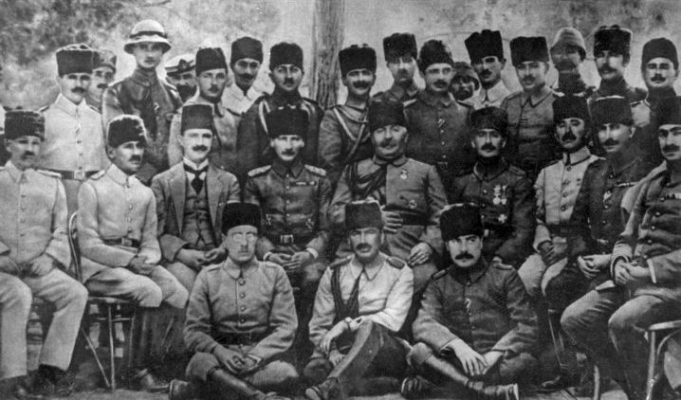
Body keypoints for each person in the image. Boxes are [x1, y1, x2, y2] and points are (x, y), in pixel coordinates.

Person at [561, 104, 681, 400]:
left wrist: (647, 271)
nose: (669, 142)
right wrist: (619, 261)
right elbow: (627, 235)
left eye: (677, 133)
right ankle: (632, 384)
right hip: (632, 281)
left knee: (621, 322)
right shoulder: (654, 182)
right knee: (574, 318)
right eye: (663, 134)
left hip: (670, 289)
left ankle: (649, 394)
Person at [78, 115, 188, 391]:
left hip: (136, 265)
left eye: (139, 146)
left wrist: (148, 259)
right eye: (128, 146)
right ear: (111, 151)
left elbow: (150, 240)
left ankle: (157, 361)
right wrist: (129, 260)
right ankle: (136, 371)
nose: (136, 152)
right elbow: (88, 244)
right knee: (149, 290)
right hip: (100, 269)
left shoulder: (144, 192)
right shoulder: (92, 188)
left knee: (178, 293)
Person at [403, 203, 538, 400]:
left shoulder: (505, 276)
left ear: (481, 242)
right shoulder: (439, 283)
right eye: (456, 241)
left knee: (525, 361)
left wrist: (495, 354)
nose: (464, 249)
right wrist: (457, 346)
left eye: (471, 240)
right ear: (446, 245)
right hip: (457, 362)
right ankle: (485, 392)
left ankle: (447, 390)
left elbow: (527, 325)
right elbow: (423, 323)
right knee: (419, 351)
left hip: (496, 364)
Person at [169, 203, 298, 400]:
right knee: (201, 362)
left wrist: (256, 356)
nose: (244, 243)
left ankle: (198, 391)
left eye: (251, 235)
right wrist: (220, 352)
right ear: (224, 240)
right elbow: (194, 331)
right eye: (237, 235)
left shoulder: (274, 274)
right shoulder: (208, 276)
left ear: (258, 239)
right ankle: (258, 396)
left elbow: (286, 326)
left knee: (286, 373)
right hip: (219, 360)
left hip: (260, 361)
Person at [0, 110, 87, 400]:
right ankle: (11, 380)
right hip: (2, 271)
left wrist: (49, 258)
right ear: (8, 144)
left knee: (75, 293)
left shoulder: (51, 184)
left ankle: (48, 373)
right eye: (22, 141)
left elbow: (61, 229)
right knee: (18, 294)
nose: (30, 149)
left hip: (37, 269)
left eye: (35, 143)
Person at [515, 94, 600, 390]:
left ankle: (573, 366)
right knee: (522, 281)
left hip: (578, 247)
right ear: (554, 133)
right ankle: (540, 361)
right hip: (548, 246)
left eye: (575, 123)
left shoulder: (598, 168)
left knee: (552, 284)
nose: (568, 131)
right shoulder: (547, 172)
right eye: (562, 125)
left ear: (587, 129)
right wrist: (542, 242)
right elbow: (537, 216)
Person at [244, 107, 332, 363]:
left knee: (313, 278)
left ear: (303, 142)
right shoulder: (256, 181)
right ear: (272, 141)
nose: (289, 145)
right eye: (282, 138)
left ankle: (306, 350)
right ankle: (268, 353)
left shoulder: (319, 180)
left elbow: (326, 229)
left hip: (307, 253)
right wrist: (269, 255)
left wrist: (309, 254)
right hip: (269, 252)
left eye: (295, 138)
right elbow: (252, 229)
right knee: (262, 279)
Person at [331, 101, 446, 293]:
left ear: (406, 135)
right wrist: (371, 216)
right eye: (380, 131)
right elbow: (335, 214)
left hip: (409, 252)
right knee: (343, 279)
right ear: (371, 137)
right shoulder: (353, 171)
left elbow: (441, 215)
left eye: (395, 129)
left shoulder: (425, 171)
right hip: (359, 250)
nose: (388, 137)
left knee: (426, 277)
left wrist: (428, 244)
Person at [303, 200, 413, 400]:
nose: (363, 240)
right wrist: (332, 352)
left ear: (382, 235)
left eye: (370, 232)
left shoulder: (399, 271)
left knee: (370, 326)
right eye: (356, 233)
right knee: (313, 370)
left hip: (386, 351)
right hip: (343, 350)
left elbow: (393, 319)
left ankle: (331, 387)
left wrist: (346, 324)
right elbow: (319, 324)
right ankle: (376, 384)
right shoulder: (334, 272)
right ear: (348, 238)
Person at [152, 104, 240, 291]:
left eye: (206, 136)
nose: (200, 142)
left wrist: (223, 249)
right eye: (193, 136)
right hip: (179, 261)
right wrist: (182, 253)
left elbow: (235, 227)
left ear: (213, 140)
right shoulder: (161, 182)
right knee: (197, 290)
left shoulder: (229, 181)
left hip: (220, 259)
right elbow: (155, 232)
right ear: (181, 140)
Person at [450, 106, 535, 267]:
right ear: (473, 141)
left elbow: (523, 231)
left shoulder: (518, 180)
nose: (488, 142)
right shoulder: (461, 181)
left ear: (503, 141)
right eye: (481, 135)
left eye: (494, 135)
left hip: (503, 258)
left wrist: (501, 257)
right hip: (465, 256)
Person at [102, 19, 182, 184]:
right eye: (143, 47)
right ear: (133, 50)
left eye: (155, 48)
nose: (150, 54)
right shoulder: (116, 92)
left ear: (162, 52)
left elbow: (180, 140)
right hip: (132, 180)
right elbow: (117, 143)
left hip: (169, 181)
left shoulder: (172, 94)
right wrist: (145, 175)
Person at [236, 42, 323, 181]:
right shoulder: (257, 112)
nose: (288, 76)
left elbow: (321, 162)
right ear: (271, 76)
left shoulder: (314, 112)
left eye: (294, 70)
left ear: (302, 74)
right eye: (281, 70)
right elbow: (247, 167)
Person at [40, 43, 108, 214]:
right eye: (71, 77)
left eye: (84, 77)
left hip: (93, 202)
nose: (79, 84)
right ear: (59, 79)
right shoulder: (43, 118)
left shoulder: (100, 119)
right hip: (53, 201)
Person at [405, 39, 474, 195]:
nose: (441, 77)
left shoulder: (466, 112)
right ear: (422, 73)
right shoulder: (408, 112)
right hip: (420, 192)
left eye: (446, 71)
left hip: (459, 193)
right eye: (434, 71)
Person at [168, 47, 239, 172]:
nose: (214, 83)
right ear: (197, 79)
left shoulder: (230, 118)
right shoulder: (182, 117)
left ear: (226, 79)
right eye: (207, 76)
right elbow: (175, 169)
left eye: (220, 76)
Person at [318, 44, 377, 184]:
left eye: (365, 73)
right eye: (354, 74)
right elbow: (329, 167)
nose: (360, 79)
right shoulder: (333, 118)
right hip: (344, 189)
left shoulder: (380, 110)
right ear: (344, 80)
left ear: (374, 78)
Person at [501, 36, 558, 179]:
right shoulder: (508, 103)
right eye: (521, 67)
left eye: (534, 66)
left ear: (546, 68)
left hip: (548, 181)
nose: (527, 73)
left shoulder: (558, 102)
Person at [630, 38, 680, 166]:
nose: (657, 73)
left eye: (664, 67)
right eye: (652, 67)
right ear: (643, 72)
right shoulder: (631, 112)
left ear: (676, 72)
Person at [588, 25, 646, 105]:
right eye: (600, 55)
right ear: (595, 60)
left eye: (612, 55)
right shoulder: (588, 101)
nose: (605, 62)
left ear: (626, 60)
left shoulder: (641, 98)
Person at [465, 30, 511, 109]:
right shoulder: (467, 106)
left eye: (490, 60)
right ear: (473, 66)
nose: (484, 67)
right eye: (478, 62)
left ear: (502, 63)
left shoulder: (514, 104)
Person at [372, 33, 420, 104]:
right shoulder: (378, 102)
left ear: (416, 62)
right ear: (388, 66)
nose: (402, 67)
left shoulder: (428, 97)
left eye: (407, 60)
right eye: (395, 62)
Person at [223, 36, 264, 116]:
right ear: (232, 66)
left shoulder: (264, 100)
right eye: (242, 64)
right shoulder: (221, 99)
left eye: (253, 65)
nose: (248, 72)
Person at [549, 27, 595, 97]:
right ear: (553, 58)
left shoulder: (592, 96)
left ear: (581, 56)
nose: (564, 57)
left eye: (570, 52)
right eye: (559, 52)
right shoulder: (547, 96)